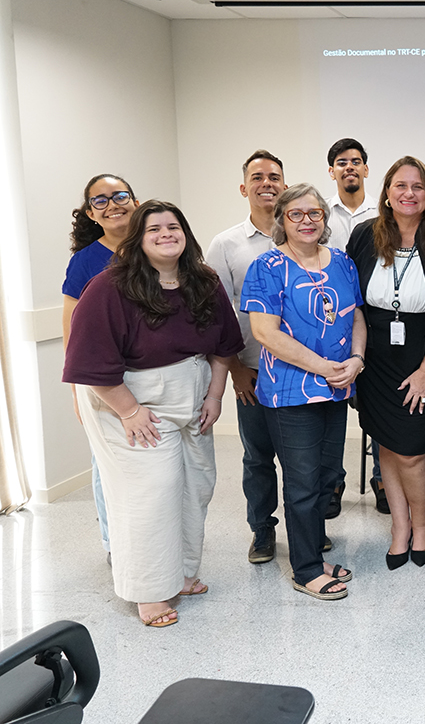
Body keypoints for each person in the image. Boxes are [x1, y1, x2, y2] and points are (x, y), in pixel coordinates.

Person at [63, 201, 242, 628]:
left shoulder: (204, 280)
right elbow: (90, 364)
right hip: (127, 401)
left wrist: (215, 396)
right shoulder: (110, 288)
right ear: (137, 240)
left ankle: (180, 573)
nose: (166, 234)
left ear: (186, 234)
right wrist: (128, 411)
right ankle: (148, 591)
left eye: (174, 226)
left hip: (192, 395)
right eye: (154, 229)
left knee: (196, 486)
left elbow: (223, 346)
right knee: (152, 494)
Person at [242, 184, 366, 601]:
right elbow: (264, 333)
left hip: (336, 389)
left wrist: (357, 359)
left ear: (325, 218)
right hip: (290, 392)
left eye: (314, 213)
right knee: (302, 482)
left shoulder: (344, 263)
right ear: (282, 220)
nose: (307, 221)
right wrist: (325, 368)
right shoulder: (268, 266)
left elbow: (357, 316)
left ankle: (313, 550)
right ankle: (306, 569)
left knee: (328, 478)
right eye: (296, 214)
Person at [347, 157, 425, 571]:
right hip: (375, 360)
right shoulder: (365, 236)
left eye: (417, 186)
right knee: (385, 445)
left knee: (413, 451)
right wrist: (357, 358)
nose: (408, 193)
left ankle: (422, 527)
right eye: (400, 185)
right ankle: (400, 527)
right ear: (386, 192)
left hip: (422, 360)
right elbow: (353, 300)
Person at [208, 149, 290, 564]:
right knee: (258, 457)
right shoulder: (226, 244)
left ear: (285, 185)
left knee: (302, 460)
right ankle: (262, 531)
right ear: (244, 188)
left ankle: (308, 531)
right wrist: (237, 368)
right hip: (254, 371)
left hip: (298, 372)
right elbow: (216, 311)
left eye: (274, 177)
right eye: (257, 177)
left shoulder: (303, 237)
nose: (267, 184)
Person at [62, 173, 140, 560]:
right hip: (103, 379)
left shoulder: (155, 246)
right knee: (106, 462)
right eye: (101, 200)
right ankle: (115, 544)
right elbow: (71, 328)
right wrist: (78, 389)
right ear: (91, 213)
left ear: (136, 201)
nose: (112, 204)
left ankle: (153, 539)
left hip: (155, 375)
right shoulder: (85, 261)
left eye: (120, 195)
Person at [324, 138, 384, 514]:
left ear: (366, 169)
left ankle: (381, 477)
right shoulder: (319, 214)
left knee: (377, 405)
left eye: (356, 161)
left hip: (373, 324)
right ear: (332, 171)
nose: (350, 167)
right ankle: (332, 482)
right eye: (341, 162)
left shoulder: (384, 214)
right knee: (330, 408)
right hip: (328, 323)